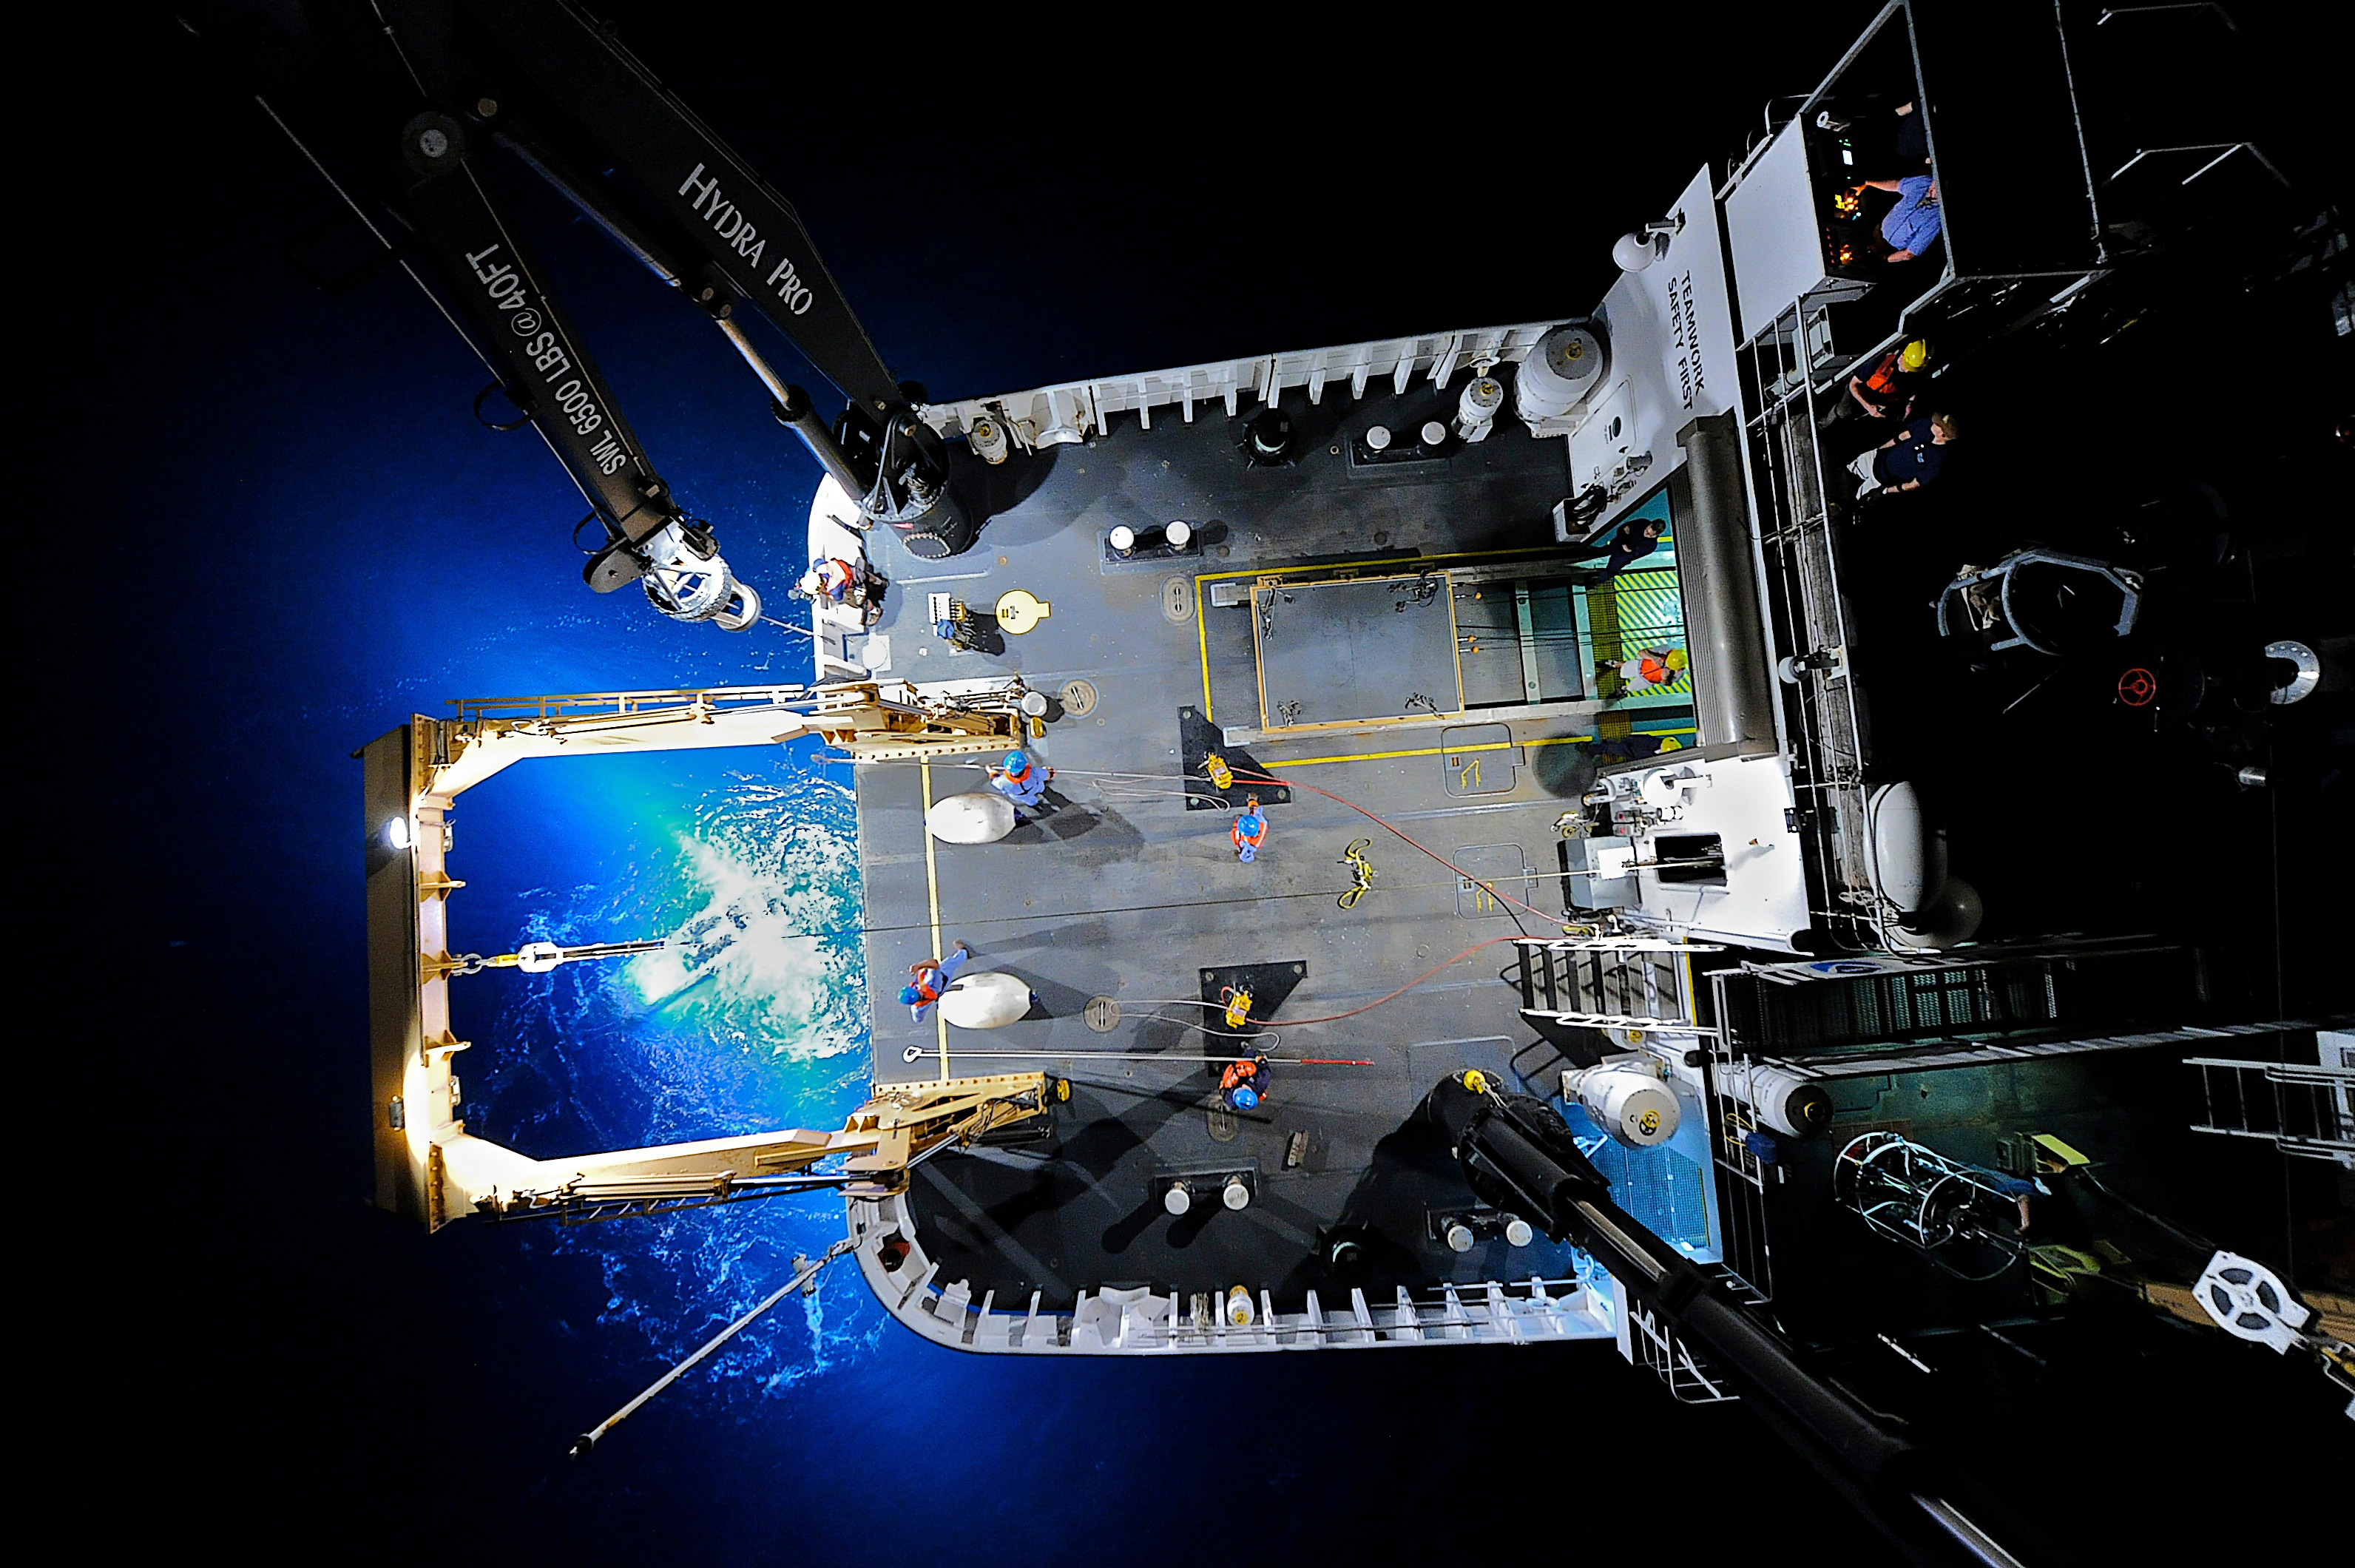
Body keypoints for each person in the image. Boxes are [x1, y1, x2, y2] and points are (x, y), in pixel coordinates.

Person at [1845, 411, 1958, 501]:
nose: (1934, 422)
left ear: (1942, 435)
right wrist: (1880, 449)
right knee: (1845, 472)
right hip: (1876, 458)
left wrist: (1884, 491)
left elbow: (1914, 484)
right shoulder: (1926, 424)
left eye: (1938, 424)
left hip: (1881, 480)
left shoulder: (1938, 461)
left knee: (1855, 498)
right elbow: (1904, 435)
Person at [1826, 339, 1930, 426]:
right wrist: (1868, 406)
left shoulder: (1913, 376)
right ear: (1903, 355)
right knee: (1842, 411)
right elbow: (1853, 385)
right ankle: (1823, 425)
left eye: (1911, 369)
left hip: (1880, 402)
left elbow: (1910, 393)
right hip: (1859, 392)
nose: (1907, 371)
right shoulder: (1879, 361)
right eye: (1907, 366)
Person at [1856, 174, 1942, 262]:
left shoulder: (1936, 219)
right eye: (1934, 185)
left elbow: (1909, 254)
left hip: (1888, 249)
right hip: (1875, 233)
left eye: (1938, 190)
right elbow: (1895, 185)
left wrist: (1886, 259)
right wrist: (1868, 183)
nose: (1932, 189)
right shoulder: (1923, 183)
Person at [1567, 516, 1667, 580]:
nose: (1646, 533)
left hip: (1623, 557)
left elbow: (1633, 550)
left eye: (1649, 534)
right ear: (1650, 524)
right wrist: (1627, 542)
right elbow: (1623, 529)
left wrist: (1628, 536)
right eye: (1647, 530)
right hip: (1618, 544)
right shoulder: (1642, 522)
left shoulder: (1651, 545)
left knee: (1611, 570)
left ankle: (1590, 582)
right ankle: (1572, 553)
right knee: (1598, 551)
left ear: (1656, 535)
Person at [797, 555, 885, 625]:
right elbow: (815, 566)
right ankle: (880, 582)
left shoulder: (834, 590)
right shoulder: (818, 565)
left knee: (860, 602)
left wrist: (826, 595)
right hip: (852, 570)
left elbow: (838, 598)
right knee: (866, 576)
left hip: (855, 582)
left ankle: (875, 611)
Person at [900, 941, 971, 1021]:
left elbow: (917, 1019)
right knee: (951, 962)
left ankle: (950, 990)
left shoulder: (918, 1007)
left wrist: (918, 1018)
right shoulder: (930, 983)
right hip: (944, 978)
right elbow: (934, 964)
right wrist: (918, 966)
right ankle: (964, 953)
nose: (917, 988)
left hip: (939, 993)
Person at [985, 749, 1054, 817]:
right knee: (1041, 788)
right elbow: (1048, 775)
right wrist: (1047, 770)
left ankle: (1034, 804)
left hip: (1019, 796)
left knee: (1030, 801)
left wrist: (991, 771)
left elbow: (993, 778)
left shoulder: (1001, 781)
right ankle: (1042, 792)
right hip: (1035, 788)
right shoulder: (1034, 772)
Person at [1596, 647, 1689, 691]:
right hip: (1640, 665)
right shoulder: (1664, 650)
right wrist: (1653, 657)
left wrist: (1665, 679)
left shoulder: (1679, 672)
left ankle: (1623, 690)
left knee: (1632, 688)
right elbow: (1641, 652)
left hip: (1648, 680)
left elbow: (1668, 684)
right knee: (1625, 667)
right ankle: (1613, 664)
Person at [1231, 794, 1268, 864]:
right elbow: (1262, 831)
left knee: (1253, 811)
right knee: (1255, 810)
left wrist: (1238, 822)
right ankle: (1253, 799)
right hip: (1257, 824)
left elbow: (1235, 831)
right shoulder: (1256, 844)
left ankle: (1252, 801)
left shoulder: (1238, 843)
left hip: (1245, 824)